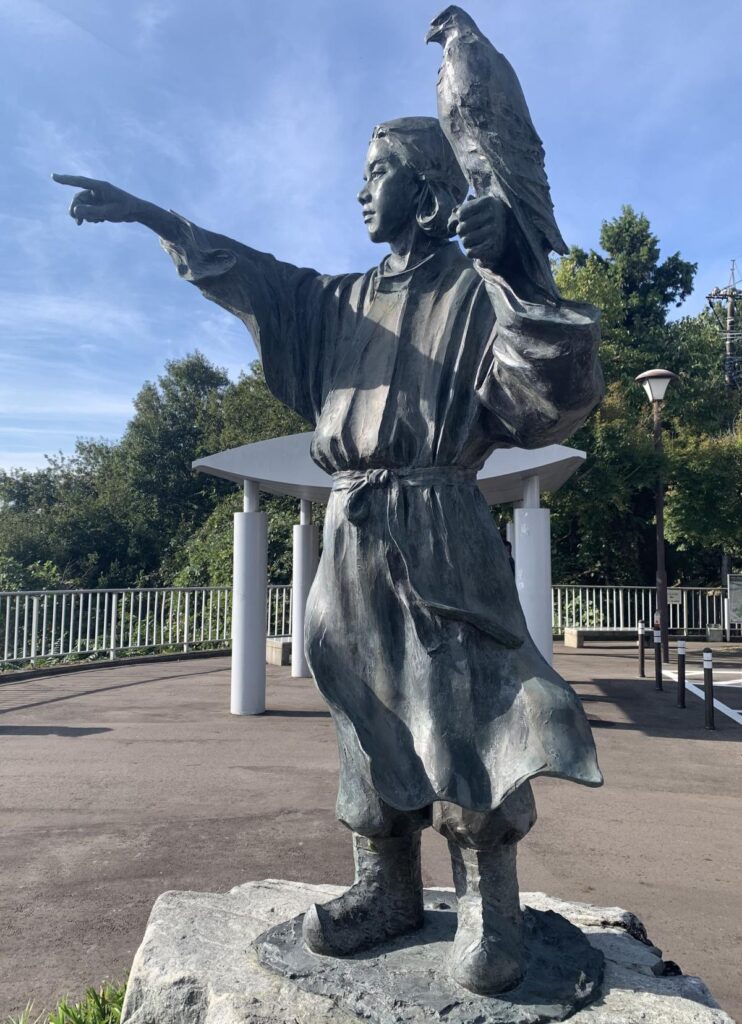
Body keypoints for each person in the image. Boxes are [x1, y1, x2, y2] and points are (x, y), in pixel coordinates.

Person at [53, 115, 603, 995]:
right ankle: (385, 889)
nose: (359, 188)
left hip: (439, 521)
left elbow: (555, 395)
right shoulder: (338, 299)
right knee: (360, 703)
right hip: (352, 530)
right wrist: (155, 217)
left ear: (425, 193)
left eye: (378, 171)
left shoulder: (476, 289)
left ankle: (488, 905)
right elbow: (250, 275)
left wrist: (516, 267)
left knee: (469, 712)